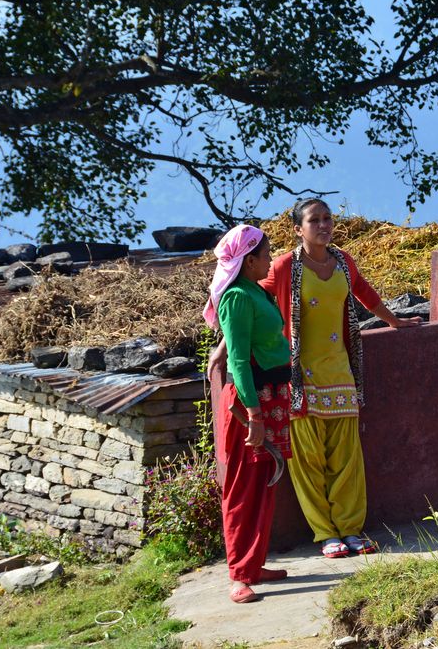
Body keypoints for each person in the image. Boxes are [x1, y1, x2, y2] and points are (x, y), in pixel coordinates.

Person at [261, 198, 422, 558]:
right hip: (300, 378)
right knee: (307, 460)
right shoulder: (286, 266)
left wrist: (394, 321)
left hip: (340, 373)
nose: (323, 225)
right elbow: (254, 297)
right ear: (297, 229)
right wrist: (230, 344)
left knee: (347, 459)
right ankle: (325, 533)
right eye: (314, 220)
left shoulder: (343, 262)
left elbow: (365, 293)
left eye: (327, 218)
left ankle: (350, 529)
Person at [201, 224, 291, 603]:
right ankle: (239, 575)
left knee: (264, 480)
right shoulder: (237, 296)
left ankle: (254, 564)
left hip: (269, 397)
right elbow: (238, 359)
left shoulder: (253, 291)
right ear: (249, 260)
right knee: (242, 487)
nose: (270, 259)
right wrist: (254, 414)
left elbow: (239, 338)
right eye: (266, 254)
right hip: (248, 404)